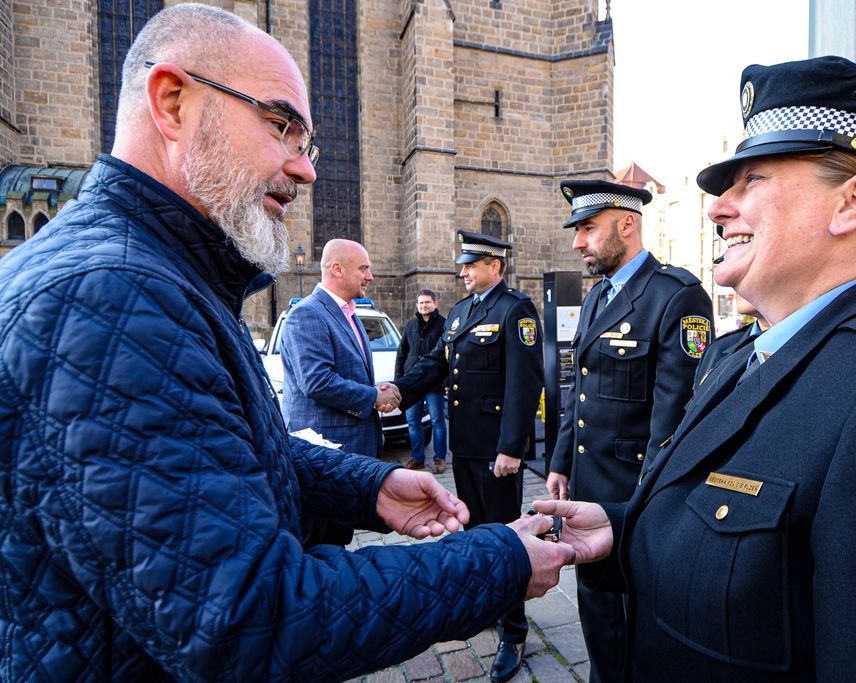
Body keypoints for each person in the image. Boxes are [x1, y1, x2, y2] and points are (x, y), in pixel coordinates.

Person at [0, 5, 573, 681]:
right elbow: (255, 617)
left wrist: (370, 486)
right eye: (281, 128)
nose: (306, 172)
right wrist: (499, 561)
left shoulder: (156, 273)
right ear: (173, 102)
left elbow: (218, 457)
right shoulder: (110, 295)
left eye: (309, 145)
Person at [536, 56, 856, 680]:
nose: (718, 208)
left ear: (853, 202)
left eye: (752, 181)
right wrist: (622, 529)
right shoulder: (736, 355)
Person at [546, 179, 713, 682]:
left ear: (627, 224)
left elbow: (674, 417)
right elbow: (579, 391)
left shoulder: (675, 295)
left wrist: (645, 505)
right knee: (597, 616)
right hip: (588, 484)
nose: (577, 242)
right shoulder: (598, 297)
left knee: (633, 627)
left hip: (632, 496)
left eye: (588, 228)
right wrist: (560, 463)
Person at [395, 230, 544, 682]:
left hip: (496, 451)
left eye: (470, 265)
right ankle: (491, 608)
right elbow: (437, 364)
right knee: (476, 533)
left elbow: (525, 383)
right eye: (462, 265)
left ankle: (514, 632)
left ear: (494, 266)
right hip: (465, 446)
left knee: (504, 538)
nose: (461, 272)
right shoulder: (461, 313)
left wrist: (512, 447)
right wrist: (398, 391)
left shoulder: (515, 310)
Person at [281, 238, 399, 458]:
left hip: (356, 446)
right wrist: (373, 396)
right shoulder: (307, 313)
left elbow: (349, 373)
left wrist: (377, 391)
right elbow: (317, 382)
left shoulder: (349, 313)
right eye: (363, 269)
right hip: (329, 450)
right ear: (337, 269)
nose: (370, 277)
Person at [395, 288, 448, 473]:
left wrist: (447, 381)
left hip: (434, 382)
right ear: (417, 305)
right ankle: (417, 458)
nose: (424, 305)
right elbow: (401, 353)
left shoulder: (444, 324)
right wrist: (398, 380)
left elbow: (448, 354)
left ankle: (440, 458)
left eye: (427, 302)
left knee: (437, 420)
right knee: (413, 421)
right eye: (421, 303)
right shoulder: (410, 325)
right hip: (412, 381)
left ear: (435, 304)